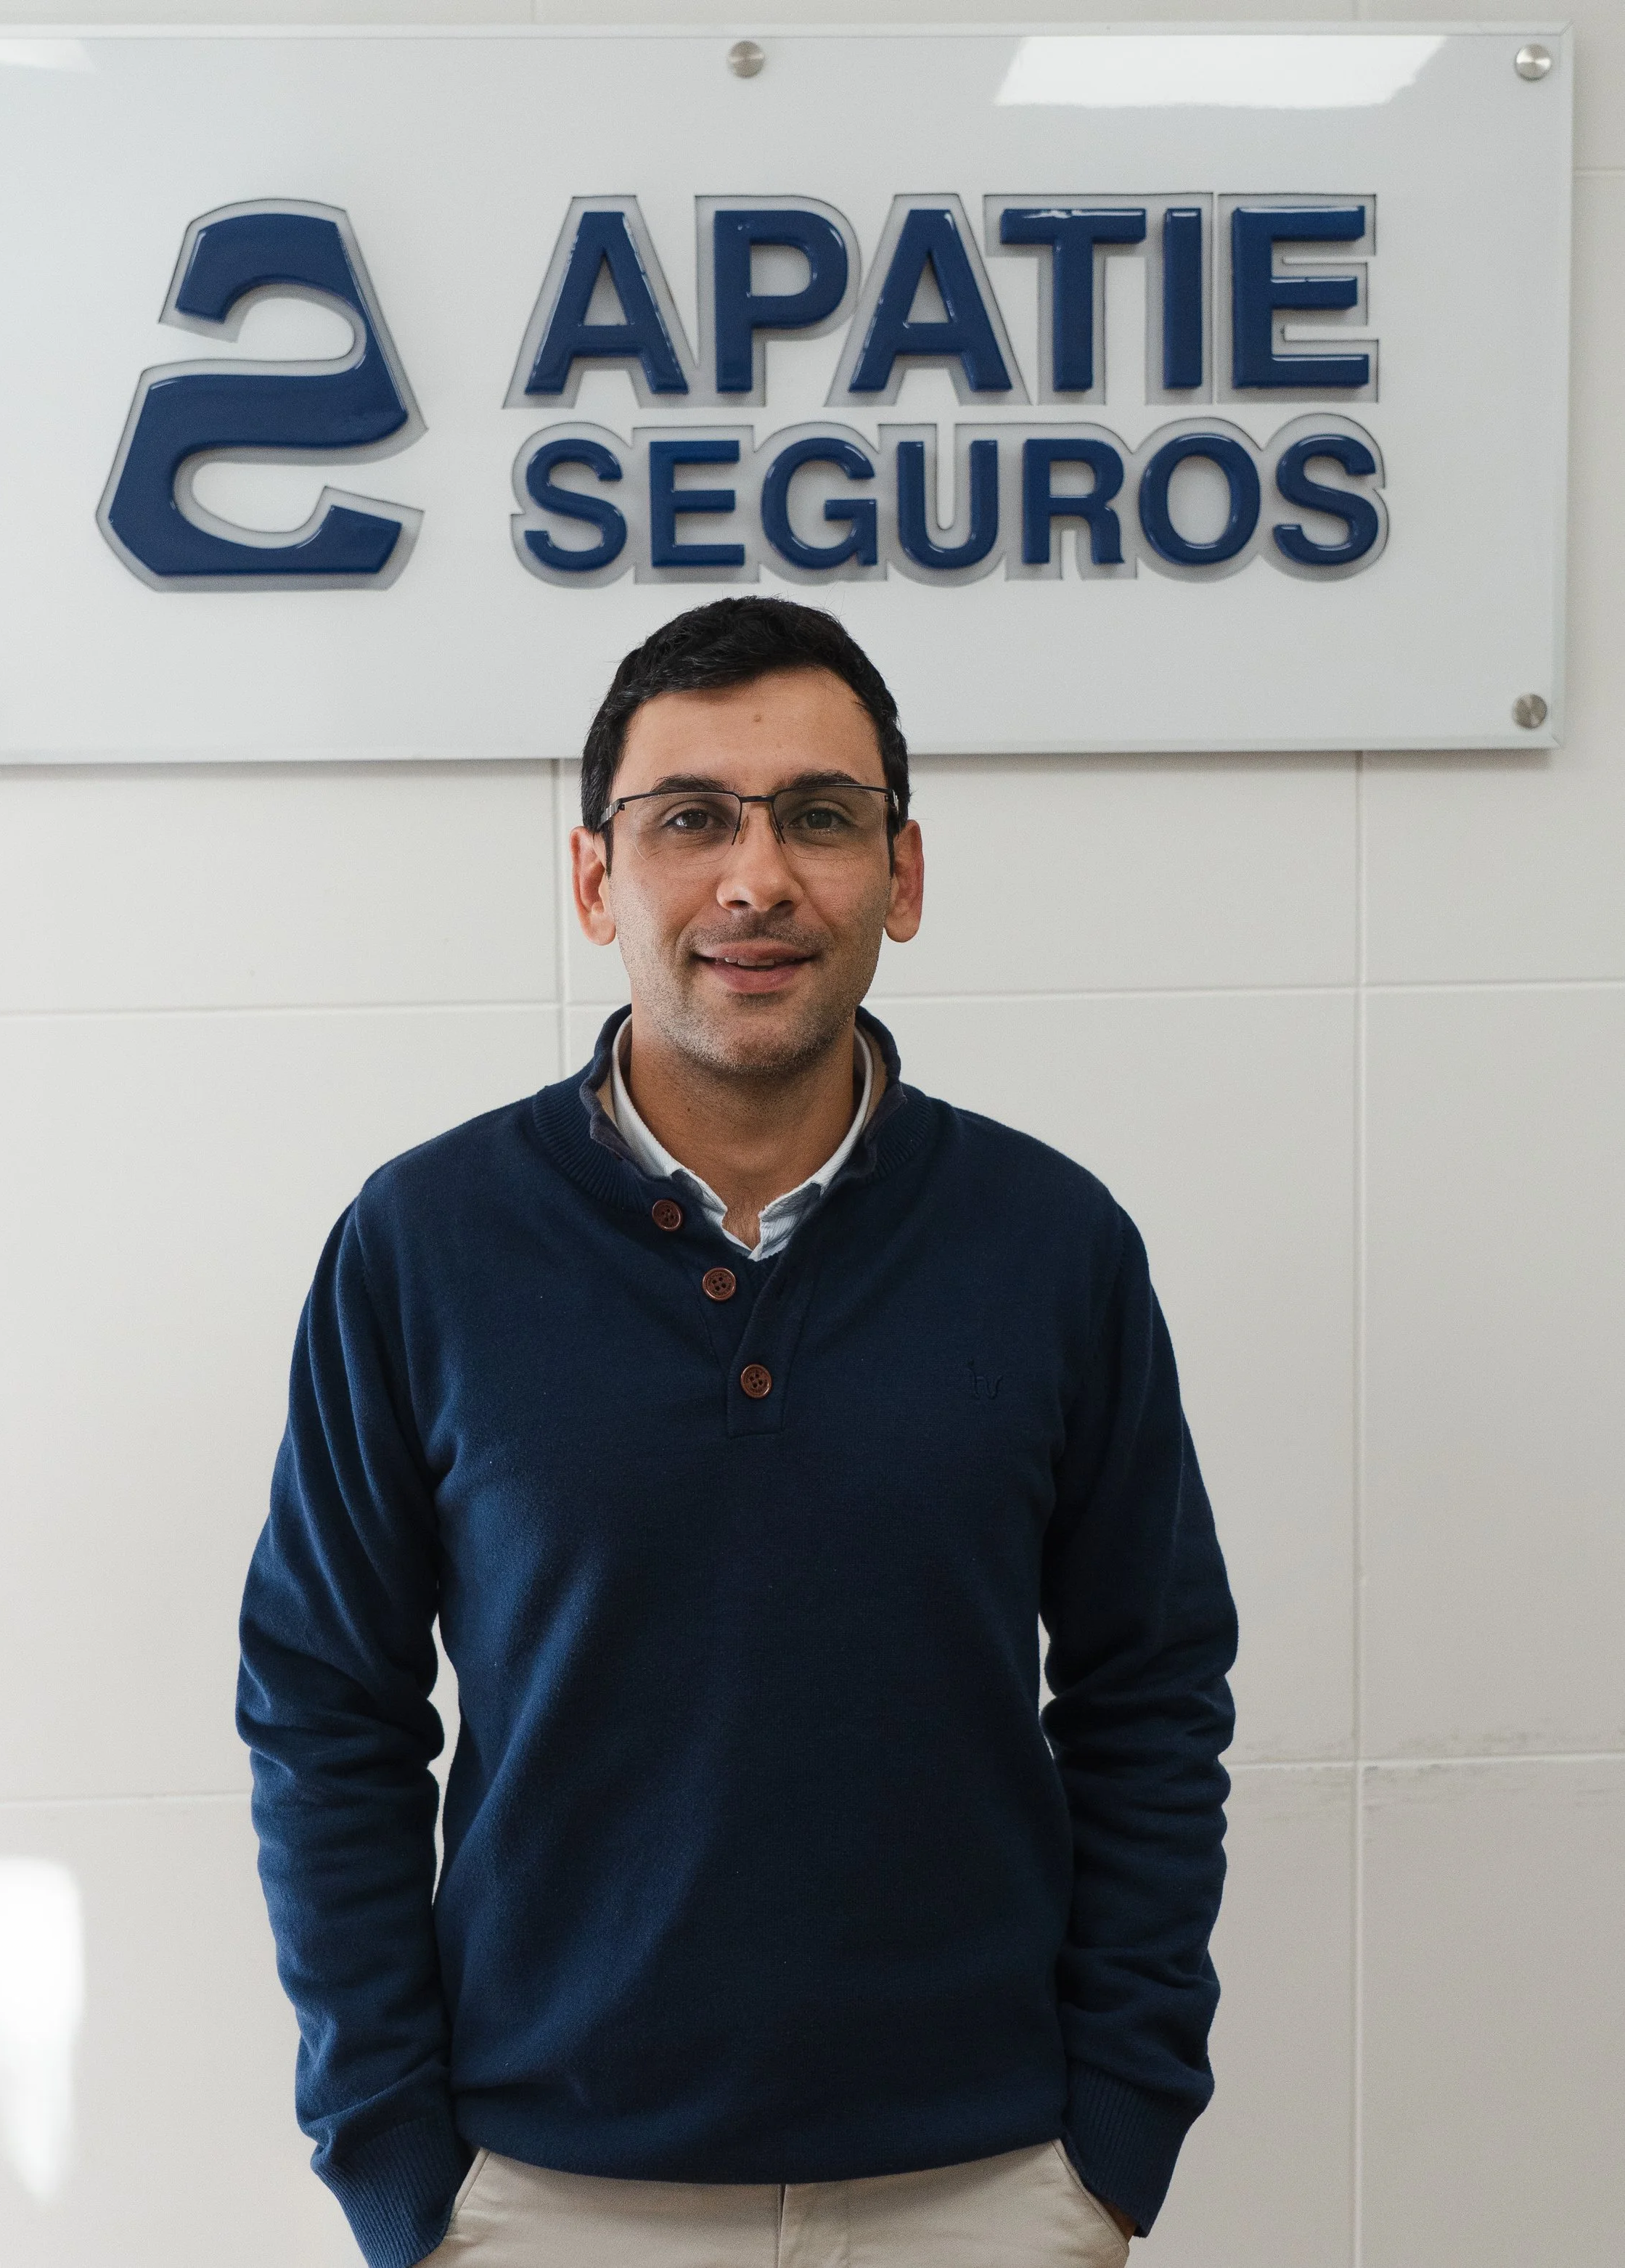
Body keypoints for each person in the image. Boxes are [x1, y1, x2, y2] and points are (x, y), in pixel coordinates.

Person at [237, 597, 1237, 2268]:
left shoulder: (1050, 1241)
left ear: (900, 875)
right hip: (543, 2190)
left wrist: (1114, 2133)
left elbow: (1149, 1688)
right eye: (688, 816)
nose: (755, 877)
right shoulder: (423, 1242)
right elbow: (326, 1705)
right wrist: (396, 2157)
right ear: (592, 878)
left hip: (983, 2185)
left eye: (819, 817)